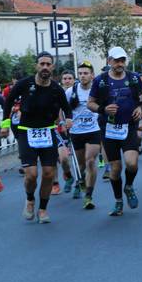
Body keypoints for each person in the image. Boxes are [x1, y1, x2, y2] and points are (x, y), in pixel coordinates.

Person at [2, 51, 73, 223]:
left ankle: (42, 209)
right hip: (26, 131)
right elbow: (9, 101)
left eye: (48, 64)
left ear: (52, 67)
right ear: (37, 66)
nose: (45, 67)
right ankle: (30, 199)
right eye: (42, 64)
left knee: (48, 173)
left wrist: (68, 120)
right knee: (32, 174)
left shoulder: (56, 88)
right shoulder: (24, 84)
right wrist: (5, 125)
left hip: (48, 131)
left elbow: (66, 108)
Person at [87, 47, 142, 217]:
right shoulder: (100, 80)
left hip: (129, 126)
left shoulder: (134, 78)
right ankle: (119, 200)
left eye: (122, 60)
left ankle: (128, 186)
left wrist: (140, 106)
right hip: (109, 129)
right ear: (109, 61)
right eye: (116, 60)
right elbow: (90, 103)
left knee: (131, 163)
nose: (120, 64)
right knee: (115, 168)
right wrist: (103, 109)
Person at [65, 61, 101, 209]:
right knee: (80, 165)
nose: (82, 76)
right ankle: (80, 181)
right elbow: (63, 109)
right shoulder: (70, 91)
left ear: (92, 75)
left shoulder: (97, 90)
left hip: (94, 130)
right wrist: (64, 123)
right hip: (76, 132)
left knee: (90, 160)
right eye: (80, 73)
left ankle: (89, 196)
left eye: (86, 73)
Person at [53, 70, 76, 195]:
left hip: (77, 128)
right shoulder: (57, 92)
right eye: (65, 78)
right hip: (60, 129)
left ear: (74, 80)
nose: (67, 81)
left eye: (70, 78)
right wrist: (61, 123)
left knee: (75, 159)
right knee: (60, 158)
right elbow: (58, 110)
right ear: (62, 80)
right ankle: (59, 181)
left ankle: (78, 181)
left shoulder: (77, 92)